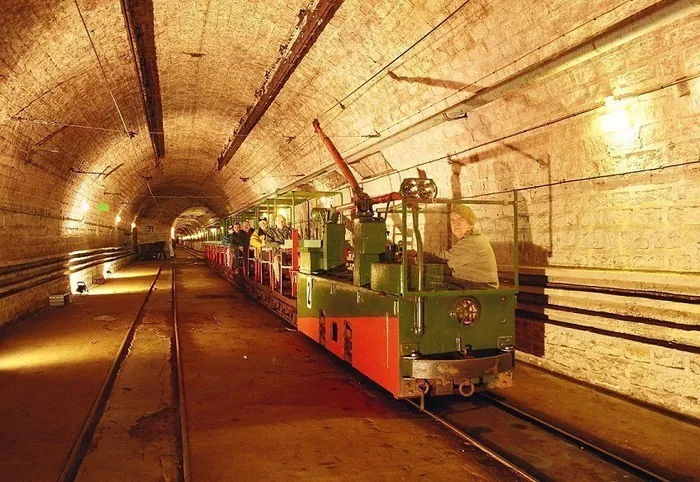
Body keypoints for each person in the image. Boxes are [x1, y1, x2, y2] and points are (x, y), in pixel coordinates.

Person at [443, 204, 499, 288]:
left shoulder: (472, 241)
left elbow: (446, 259)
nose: (456, 224)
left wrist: (419, 255)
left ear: (470, 224)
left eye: (460, 220)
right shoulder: (468, 238)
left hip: (484, 286)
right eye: (453, 220)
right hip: (475, 282)